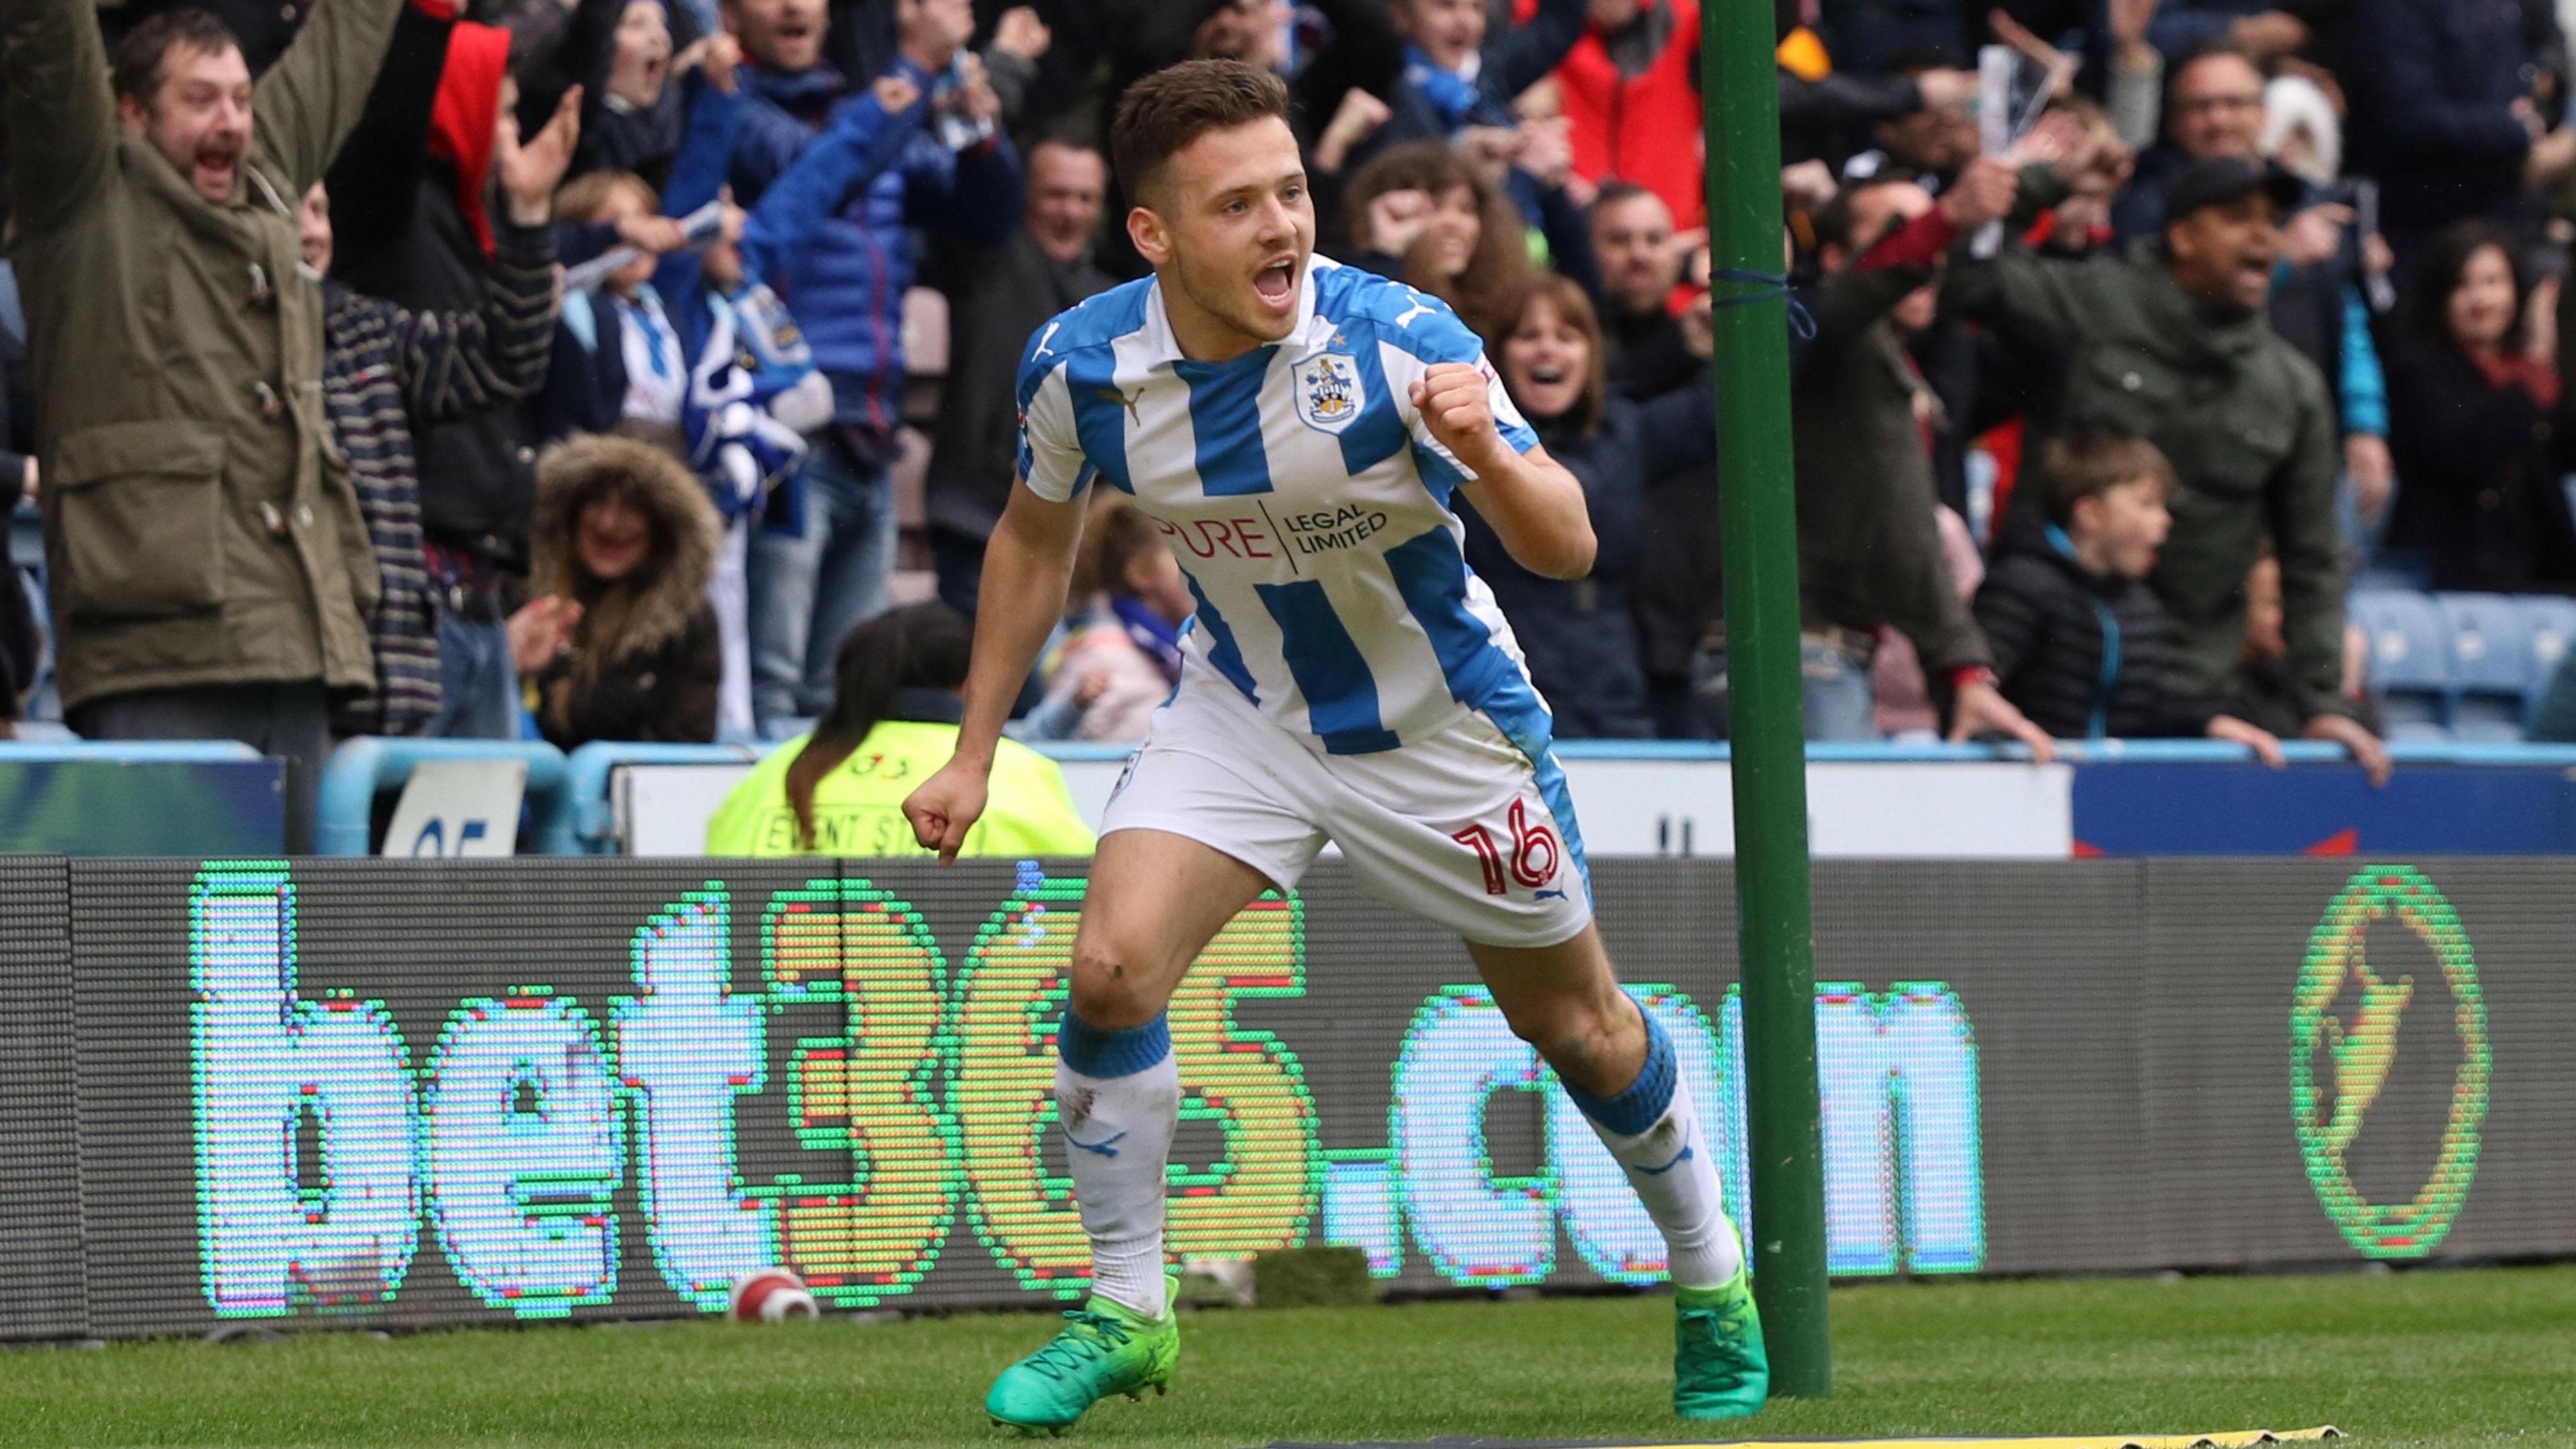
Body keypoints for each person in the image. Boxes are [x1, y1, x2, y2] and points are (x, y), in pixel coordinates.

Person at [900, 59, 1764, 1433]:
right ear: (1154, 235)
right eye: (1236, 205)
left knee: (1582, 1033)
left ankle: (1714, 1274)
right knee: (1111, 970)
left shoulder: (1399, 338)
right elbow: (1031, 536)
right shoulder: (1083, 368)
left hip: (1441, 735)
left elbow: (1570, 543)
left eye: (1292, 191)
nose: (1284, 229)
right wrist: (974, 748)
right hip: (1241, 710)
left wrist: (1491, 452)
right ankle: (1128, 1308)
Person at [7, 1, 401, 843]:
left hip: (293, 645)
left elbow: (349, 35)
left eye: (240, 98)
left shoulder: (266, 176)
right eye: (200, 100)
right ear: (131, 111)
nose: (231, 121)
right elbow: (45, 43)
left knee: (272, 959)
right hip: (160, 650)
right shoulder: (79, 195)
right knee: (161, 961)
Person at [1949, 153, 2394, 785]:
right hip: (2048, 682)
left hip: (2193, 696)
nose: (2263, 235)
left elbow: (2314, 557)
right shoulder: (2091, 301)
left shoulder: (2290, 387)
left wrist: (2321, 702)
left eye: (2272, 221)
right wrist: (2034, 190)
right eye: (2238, 218)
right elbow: (1967, 281)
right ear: (2182, 235)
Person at [722, 0, 1024, 735]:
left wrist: (977, 127)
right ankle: (756, 846)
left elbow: (985, 216)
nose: (794, 6)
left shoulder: (874, 119)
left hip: (872, 436)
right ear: (728, 14)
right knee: (775, 683)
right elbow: (815, 176)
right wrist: (913, 71)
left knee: (848, 684)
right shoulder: (730, 108)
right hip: (784, 435)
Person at [1703, 165, 2052, 753]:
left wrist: (1965, 669)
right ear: (1839, 256)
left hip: (1823, 655)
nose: (1927, 253)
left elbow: (1909, 536)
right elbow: (1854, 292)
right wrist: (1944, 218)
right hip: (1795, 656)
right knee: (1830, 845)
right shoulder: (1823, 333)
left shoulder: (1887, 359)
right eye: (1901, 230)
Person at [307, 154, 568, 739]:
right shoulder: (225, 342)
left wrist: (527, 219)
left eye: (320, 212)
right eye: (292, 213)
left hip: (409, 674)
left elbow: (504, 361)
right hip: (317, 683)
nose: (309, 232)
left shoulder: (363, 329)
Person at [1478, 271, 1705, 739]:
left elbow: (1738, 401)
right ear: (1497, 355)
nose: (1548, 350)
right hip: (1497, 694)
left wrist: (1770, 288)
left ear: (1593, 356)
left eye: (1568, 336)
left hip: (1614, 695)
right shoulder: (1462, 441)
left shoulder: (1628, 432)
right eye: (1528, 336)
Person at [1974, 433, 2287, 756]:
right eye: (2147, 503)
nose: (2165, 520)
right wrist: (2013, 739)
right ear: (2090, 515)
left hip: (2110, 790)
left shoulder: (2141, 606)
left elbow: (2143, 712)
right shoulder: (2021, 586)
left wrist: (2208, 724)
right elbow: (1975, 695)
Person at [706, 601, 1097, 854]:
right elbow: (1083, 901)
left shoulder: (771, 775)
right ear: (969, 681)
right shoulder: (1015, 774)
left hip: (787, 980)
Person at [923, 133, 1115, 618]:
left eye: (1085, 198)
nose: (1070, 212)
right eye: (1056, 194)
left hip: (1077, 545)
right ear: (1025, 195)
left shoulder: (1116, 303)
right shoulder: (984, 261)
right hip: (981, 526)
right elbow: (978, 192)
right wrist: (981, 124)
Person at [2382, 221, 2576, 592]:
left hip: (2538, 576)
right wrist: (2534, 369)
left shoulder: (2529, 375)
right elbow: (2471, 450)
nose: (2481, 300)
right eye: (2463, 285)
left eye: (2493, 282)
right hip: (2450, 581)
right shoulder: (2418, 369)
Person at [513, 434, 722, 749]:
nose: (610, 523)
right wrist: (512, 662)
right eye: (597, 500)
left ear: (663, 528)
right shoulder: (522, 595)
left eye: (632, 506)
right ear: (569, 511)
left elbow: (686, 741)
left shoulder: (689, 621)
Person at [1024, 499, 1191, 744]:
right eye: (1185, 556)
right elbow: (1040, 741)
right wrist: (1073, 706)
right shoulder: (1101, 654)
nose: (1203, 574)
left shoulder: (1184, 653)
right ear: (1142, 572)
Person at [1342, 140, 1533, 343]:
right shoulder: (1347, 290)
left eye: (1466, 209)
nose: (1453, 223)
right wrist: (1385, 255)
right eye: (1435, 207)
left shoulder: (1507, 312)